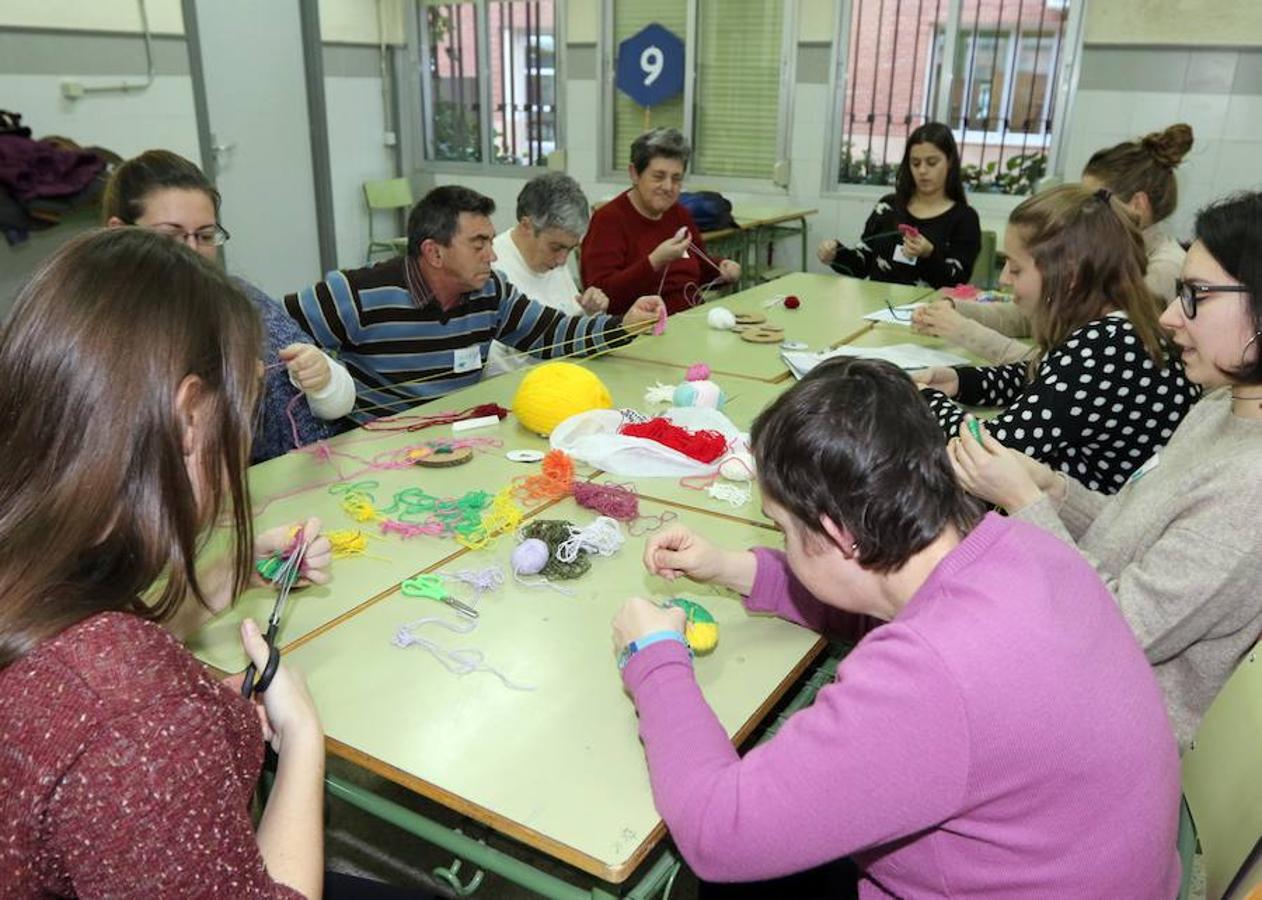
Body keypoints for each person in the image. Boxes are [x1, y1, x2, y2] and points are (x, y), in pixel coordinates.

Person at [612, 357, 1180, 898]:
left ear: (839, 536)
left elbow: (719, 832)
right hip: (1094, 869)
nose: (782, 541)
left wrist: (654, 657)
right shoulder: (1025, 545)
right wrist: (733, 569)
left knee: (729, 882)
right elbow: (878, 596)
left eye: (782, 529)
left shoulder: (928, 676)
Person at [0, 228, 335, 898]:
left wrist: (227, 575)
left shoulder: (36, 560)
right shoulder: (136, 721)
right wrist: (302, 744)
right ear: (187, 418)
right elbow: (114, 700)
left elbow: (78, 652)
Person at [948, 191, 1262, 751]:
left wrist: (1026, 504)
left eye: (1196, 296)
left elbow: (1122, 630)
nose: (1169, 316)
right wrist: (1054, 490)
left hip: (1117, 724)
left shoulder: (1250, 486)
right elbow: (1136, 530)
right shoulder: (1221, 407)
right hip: (1086, 658)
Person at [285, 186, 665, 421]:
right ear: (434, 252)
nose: (493, 255)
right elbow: (272, 326)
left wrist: (623, 325)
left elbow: (554, 333)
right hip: (374, 451)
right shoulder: (356, 292)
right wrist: (312, 374)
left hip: (456, 440)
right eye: (479, 244)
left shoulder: (490, 292)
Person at [914, 184, 1197, 493]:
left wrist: (924, 401)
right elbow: (1047, 379)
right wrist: (961, 382)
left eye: (1016, 269)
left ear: (1069, 275)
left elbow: (990, 454)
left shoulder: (1105, 347)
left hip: (1085, 518)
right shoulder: (1121, 328)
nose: (1004, 279)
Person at [103, 149, 356, 463]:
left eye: (205, 236)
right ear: (119, 232)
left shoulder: (242, 301)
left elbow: (335, 399)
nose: (191, 251)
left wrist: (323, 380)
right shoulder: (98, 330)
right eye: (170, 235)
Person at [912, 124, 1195, 363]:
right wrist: (957, 311)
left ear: (1137, 205)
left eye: (1093, 201)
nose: (1080, 211)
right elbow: (1037, 314)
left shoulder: (1162, 270)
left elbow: (1066, 367)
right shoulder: (1106, 255)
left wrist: (965, 332)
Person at [580, 128, 740, 316]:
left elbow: (698, 270)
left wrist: (722, 268)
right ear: (634, 173)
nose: (668, 187)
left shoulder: (679, 214)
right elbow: (603, 295)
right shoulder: (608, 220)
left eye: (676, 179)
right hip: (642, 326)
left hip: (690, 317)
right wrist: (655, 262)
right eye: (658, 177)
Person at [817, 122, 980, 289]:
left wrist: (929, 254)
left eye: (932, 162)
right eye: (915, 163)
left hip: (928, 306)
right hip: (877, 303)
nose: (922, 171)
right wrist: (837, 254)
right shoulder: (888, 206)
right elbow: (862, 264)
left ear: (950, 161)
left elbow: (957, 282)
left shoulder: (964, 218)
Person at [485, 171, 610, 376]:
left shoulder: (553, 262)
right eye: (556, 248)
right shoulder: (491, 269)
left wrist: (590, 313)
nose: (562, 260)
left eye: (570, 249)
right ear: (526, 226)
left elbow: (568, 329)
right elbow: (496, 371)